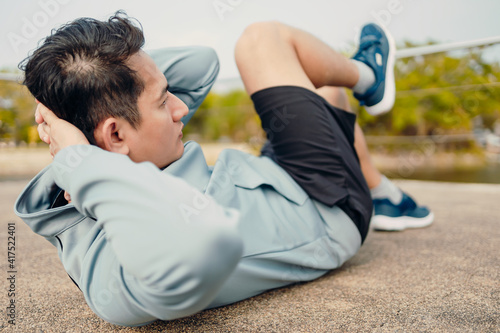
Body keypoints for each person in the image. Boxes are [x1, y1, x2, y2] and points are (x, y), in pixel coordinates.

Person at [15, 12, 433, 327]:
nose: (180, 106)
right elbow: (203, 240)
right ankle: (370, 78)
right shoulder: (113, 280)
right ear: (116, 138)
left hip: (274, 181)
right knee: (261, 41)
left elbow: (201, 64)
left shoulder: (131, 147)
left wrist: (81, 79)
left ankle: (382, 192)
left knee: (321, 83)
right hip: (324, 210)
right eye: (163, 102)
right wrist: (78, 160)